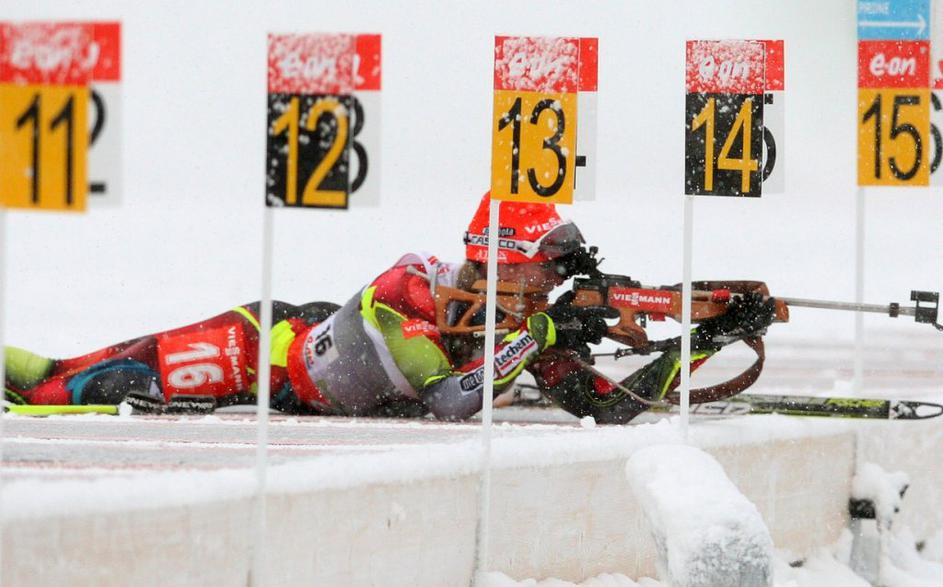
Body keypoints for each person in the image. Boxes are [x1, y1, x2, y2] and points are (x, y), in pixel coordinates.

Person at [3, 192, 776, 422]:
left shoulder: (513, 323)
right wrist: (539, 328)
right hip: (256, 350)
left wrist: (706, 337)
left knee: (68, 381)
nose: (549, 291)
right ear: (502, 263)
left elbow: (610, 404)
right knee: (70, 385)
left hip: (286, 363)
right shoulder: (404, 291)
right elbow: (447, 398)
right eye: (542, 275)